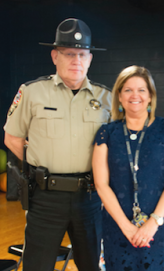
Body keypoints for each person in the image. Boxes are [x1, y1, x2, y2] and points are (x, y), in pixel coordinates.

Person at [4, 18, 112, 271]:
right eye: (69, 54)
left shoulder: (106, 97)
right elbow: (12, 138)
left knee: (91, 265)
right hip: (46, 197)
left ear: (90, 59)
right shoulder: (32, 92)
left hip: (90, 198)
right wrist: (39, 168)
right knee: (37, 265)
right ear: (55, 56)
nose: (76, 61)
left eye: (82, 54)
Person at [92, 65, 164, 271]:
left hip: (162, 228)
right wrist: (126, 226)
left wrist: (154, 222)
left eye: (142, 90)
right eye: (128, 90)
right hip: (118, 228)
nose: (135, 95)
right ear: (119, 96)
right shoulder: (106, 133)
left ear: (151, 96)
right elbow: (101, 184)